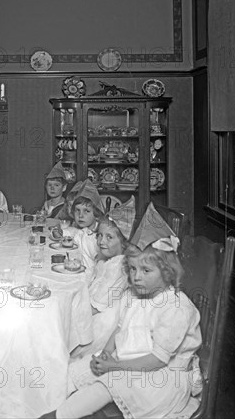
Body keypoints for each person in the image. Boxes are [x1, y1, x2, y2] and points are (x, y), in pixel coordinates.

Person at [40, 236, 202, 419]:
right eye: (132, 268)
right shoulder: (134, 296)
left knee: (107, 385)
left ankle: (57, 416)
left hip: (161, 376)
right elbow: (120, 329)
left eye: (146, 270)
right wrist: (107, 354)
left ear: (167, 272)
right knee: (77, 370)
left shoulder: (176, 307)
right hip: (131, 359)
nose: (136, 277)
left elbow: (158, 359)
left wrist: (115, 366)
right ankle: (49, 403)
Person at [72, 217, 129, 359]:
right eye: (99, 235)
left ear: (123, 242)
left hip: (101, 318)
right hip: (91, 306)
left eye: (109, 237)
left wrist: (70, 313)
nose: (101, 241)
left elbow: (97, 305)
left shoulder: (117, 268)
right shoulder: (105, 261)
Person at [60, 180, 104, 282]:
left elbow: (101, 265)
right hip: (77, 273)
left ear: (96, 214)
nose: (80, 215)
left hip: (91, 279)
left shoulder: (98, 237)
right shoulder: (81, 230)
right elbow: (71, 231)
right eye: (77, 210)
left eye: (86, 211)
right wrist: (60, 231)